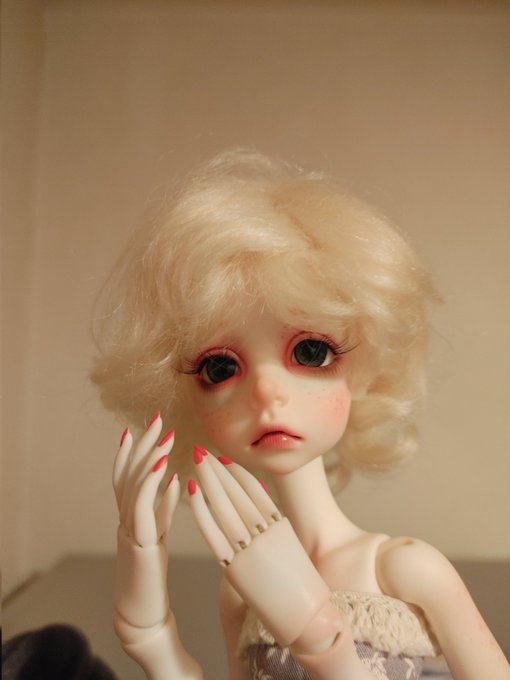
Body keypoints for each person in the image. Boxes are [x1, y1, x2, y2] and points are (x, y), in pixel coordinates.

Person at [91, 149, 509, 680]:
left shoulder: (406, 570)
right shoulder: (241, 589)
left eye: (311, 352)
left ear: (365, 368)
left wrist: (323, 642)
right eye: (220, 367)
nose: (266, 392)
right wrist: (149, 634)